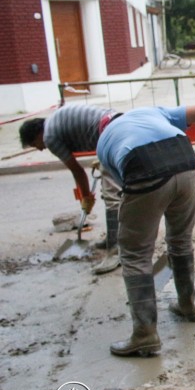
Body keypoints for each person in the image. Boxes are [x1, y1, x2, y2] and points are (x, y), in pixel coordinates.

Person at [96, 105, 195, 357]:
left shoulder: (104, 142)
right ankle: (187, 306)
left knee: (135, 254)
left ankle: (145, 334)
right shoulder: (152, 112)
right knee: (180, 241)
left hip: (141, 167)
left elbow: (126, 192)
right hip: (186, 162)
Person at [19, 104, 124, 274]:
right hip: (114, 126)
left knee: (112, 197)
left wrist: (86, 198)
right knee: (113, 192)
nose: (39, 148)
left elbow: (77, 171)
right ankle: (114, 237)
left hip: (112, 133)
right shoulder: (54, 122)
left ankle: (115, 250)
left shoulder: (50, 137)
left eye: (34, 144)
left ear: (38, 134)